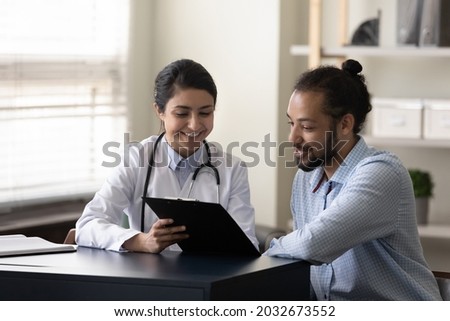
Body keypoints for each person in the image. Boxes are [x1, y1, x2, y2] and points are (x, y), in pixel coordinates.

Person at [264, 59, 442, 300]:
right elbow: (305, 266)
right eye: (291, 123)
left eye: (306, 127)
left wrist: (269, 248)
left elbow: (311, 245)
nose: (292, 137)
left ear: (345, 124)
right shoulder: (305, 180)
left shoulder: (381, 173)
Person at [75, 58, 258, 253]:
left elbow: (247, 245)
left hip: (209, 280)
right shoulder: (136, 160)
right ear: (160, 111)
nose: (195, 125)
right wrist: (142, 241)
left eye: (205, 113)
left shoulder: (232, 169)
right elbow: (87, 226)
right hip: (149, 280)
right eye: (181, 114)